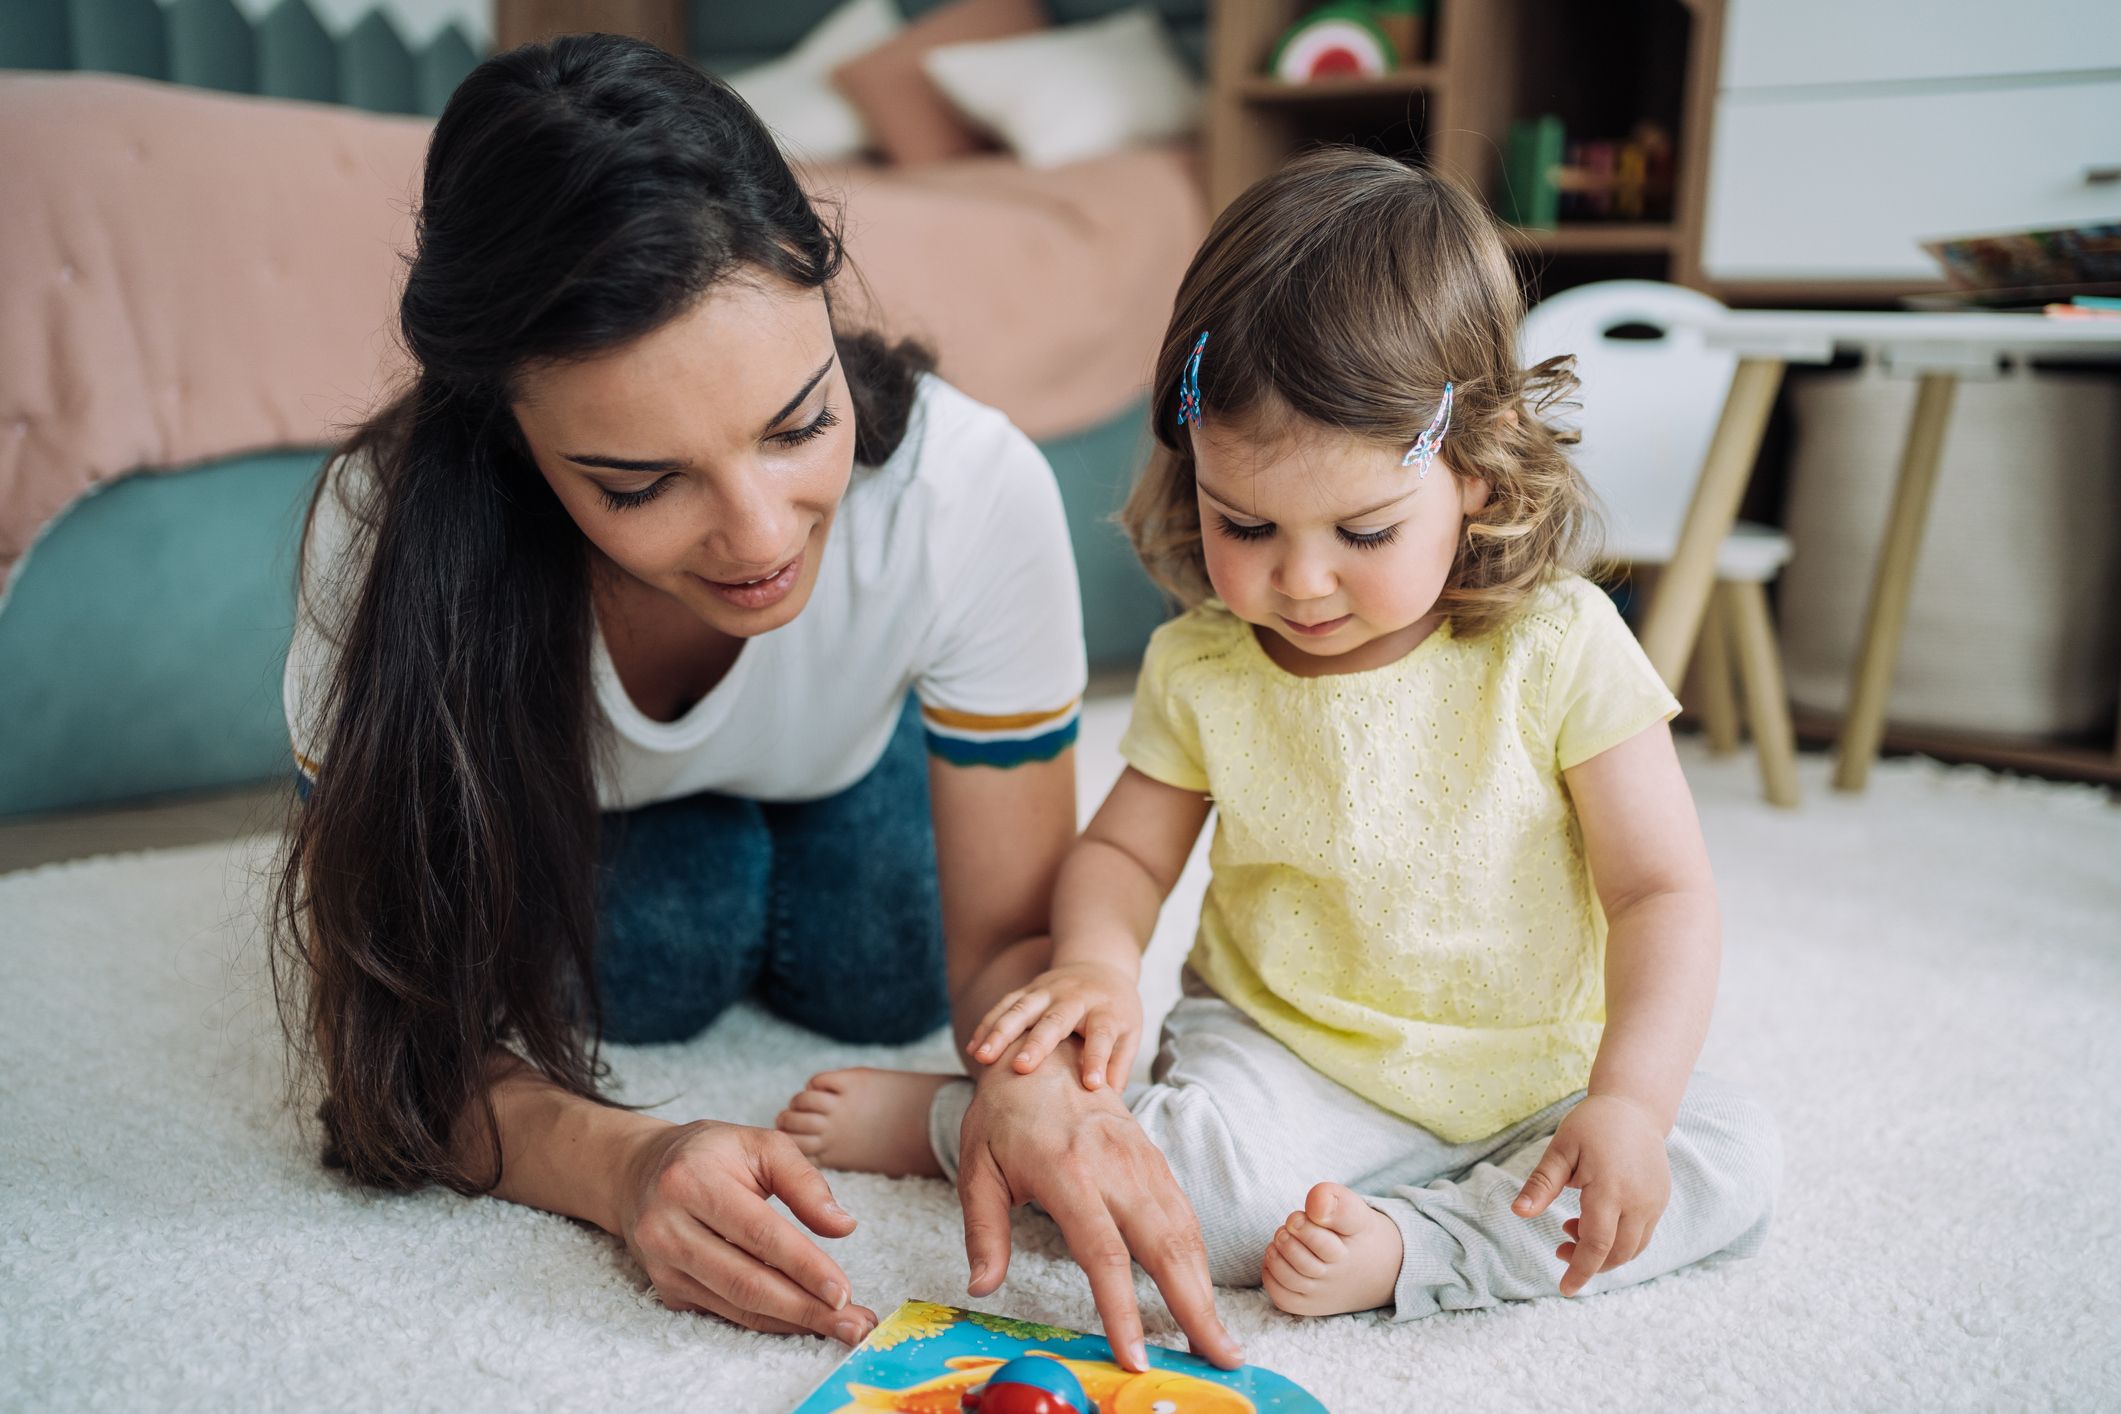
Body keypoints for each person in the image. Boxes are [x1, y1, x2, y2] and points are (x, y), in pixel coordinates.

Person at [272, 33, 1240, 1372]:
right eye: (638, 482)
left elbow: (1017, 960)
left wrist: (1039, 1094)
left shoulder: (968, 488)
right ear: (509, 433)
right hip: (595, 812)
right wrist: (626, 1162)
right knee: (656, 960)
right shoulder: (380, 550)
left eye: (798, 426)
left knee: (880, 963)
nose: (757, 537)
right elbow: (384, 1048)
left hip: (852, 768)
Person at [781, 148, 1781, 1321]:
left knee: (1728, 1159)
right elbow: (1122, 856)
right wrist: (1098, 964)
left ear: (1475, 473)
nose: (1299, 581)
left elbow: (1665, 893)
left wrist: (1627, 1101)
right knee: (1192, 1193)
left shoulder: (1559, 644)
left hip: (1537, 1074)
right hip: (1285, 1061)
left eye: (1363, 530)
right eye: (1243, 521)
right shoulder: (1207, 663)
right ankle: (966, 1121)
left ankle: (1420, 1250)